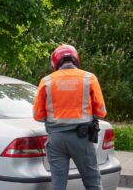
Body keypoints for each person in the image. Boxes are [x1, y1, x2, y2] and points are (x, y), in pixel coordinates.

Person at [33, 44, 107, 190]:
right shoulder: (89, 78)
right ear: (75, 59)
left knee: (58, 184)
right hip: (82, 139)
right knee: (92, 181)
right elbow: (101, 112)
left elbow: (38, 116)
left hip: (56, 141)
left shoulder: (46, 81)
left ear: (56, 62)